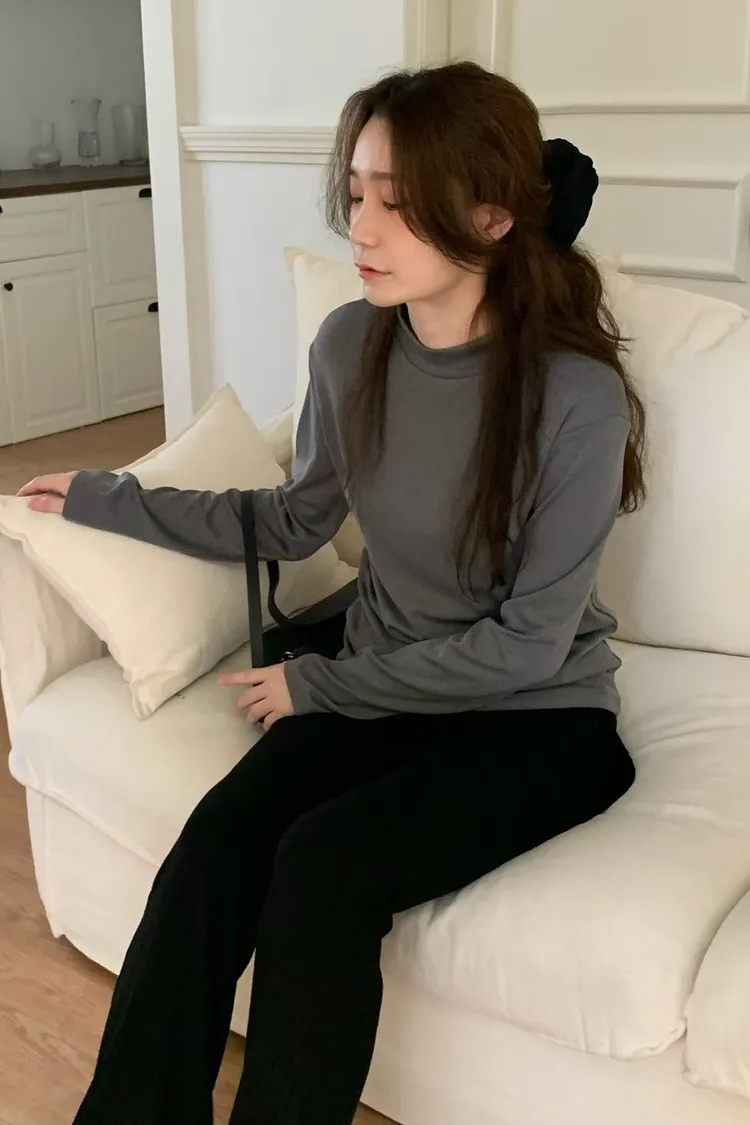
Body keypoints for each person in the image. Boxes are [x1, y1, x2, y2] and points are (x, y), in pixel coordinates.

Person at [19, 61, 645, 1125]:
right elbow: (289, 519)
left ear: (492, 218)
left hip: (536, 719)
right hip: (388, 683)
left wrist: (319, 690)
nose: (360, 226)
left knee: (322, 869)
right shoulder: (350, 344)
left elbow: (529, 647)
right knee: (216, 846)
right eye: (355, 192)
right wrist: (107, 496)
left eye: (396, 202)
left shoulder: (576, 398)